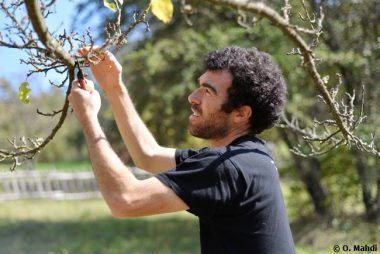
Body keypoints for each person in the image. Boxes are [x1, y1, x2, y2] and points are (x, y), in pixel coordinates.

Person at [68, 46, 295, 254]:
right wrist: (114, 87)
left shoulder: (227, 166)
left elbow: (124, 200)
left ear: (241, 114)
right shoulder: (248, 155)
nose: (193, 97)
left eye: (208, 91)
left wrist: (88, 118)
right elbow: (148, 155)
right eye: (200, 86)